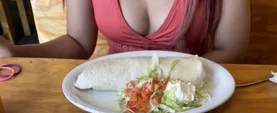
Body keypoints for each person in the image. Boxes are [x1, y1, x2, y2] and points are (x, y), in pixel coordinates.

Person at [0, 0, 250, 63]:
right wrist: (15, 52)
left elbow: (232, 49)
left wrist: (171, 85)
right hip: (117, 98)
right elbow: (77, 42)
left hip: (196, 93)